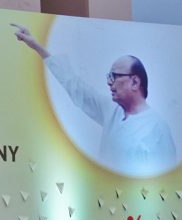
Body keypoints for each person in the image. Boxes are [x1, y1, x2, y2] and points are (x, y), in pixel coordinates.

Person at [12, 23, 176, 175]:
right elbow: (76, 86)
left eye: (115, 76)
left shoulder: (157, 129)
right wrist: (37, 47)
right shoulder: (112, 110)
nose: (109, 83)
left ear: (135, 81)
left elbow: (165, 186)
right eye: (108, 77)